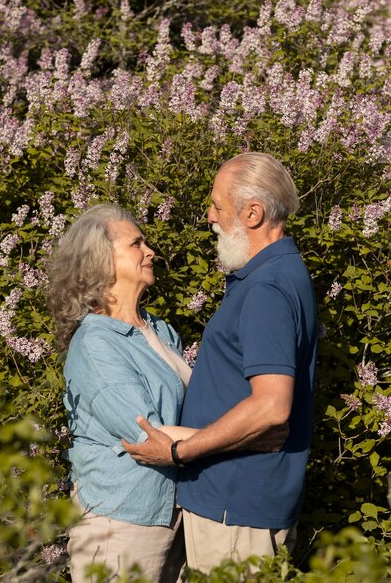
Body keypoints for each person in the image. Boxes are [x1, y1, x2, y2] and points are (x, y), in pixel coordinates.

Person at [122, 152, 318, 573]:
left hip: (236, 508)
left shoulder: (267, 288)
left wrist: (178, 451)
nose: (209, 216)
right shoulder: (274, 274)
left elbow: (271, 406)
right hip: (238, 503)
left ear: (253, 213)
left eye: (217, 205)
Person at [47, 203, 197, 583]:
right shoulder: (96, 342)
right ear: (102, 262)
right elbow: (148, 433)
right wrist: (245, 438)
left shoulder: (160, 331)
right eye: (136, 244)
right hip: (120, 519)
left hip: (172, 515)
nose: (150, 252)